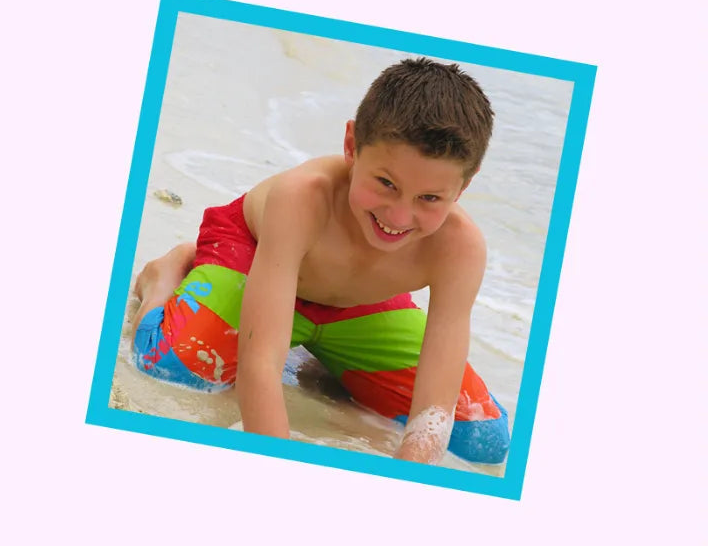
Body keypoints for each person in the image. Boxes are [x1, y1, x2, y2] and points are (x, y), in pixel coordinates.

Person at [126, 57, 510, 464]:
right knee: (169, 367)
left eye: (429, 198)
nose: (398, 216)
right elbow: (261, 364)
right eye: (386, 183)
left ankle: (326, 358)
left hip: (357, 300)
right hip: (254, 258)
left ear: (465, 185)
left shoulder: (461, 249)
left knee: (483, 436)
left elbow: (435, 407)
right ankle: (163, 279)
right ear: (351, 144)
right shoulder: (303, 198)